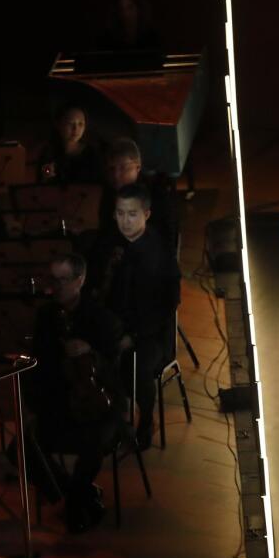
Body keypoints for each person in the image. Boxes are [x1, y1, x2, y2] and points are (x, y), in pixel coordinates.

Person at [30, 253, 124, 531]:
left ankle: (74, 504)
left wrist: (90, 352)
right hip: (59, 403)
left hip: (100, 406)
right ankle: (73, 493)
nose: (55, 287)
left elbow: (113, 368)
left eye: (63, 280)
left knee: (93, 441)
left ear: (80, 280)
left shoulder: (101, 317)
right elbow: (40, 362)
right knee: (22, 447)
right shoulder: (46, 315)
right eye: (53, 280)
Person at [97, 183, 180, 450]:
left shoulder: (159, 252)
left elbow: (166, 305)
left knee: (139, 367)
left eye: (132, 214)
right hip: (115, 327)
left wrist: (132, 336)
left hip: (150, 334)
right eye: (120, 213)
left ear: (146, 214)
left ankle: (144, 419)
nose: (125, 221)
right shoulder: (110, 245)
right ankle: (109, 420)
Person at [36, 106, 104, 186]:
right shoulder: (49, 152)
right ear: (58, 124)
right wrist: (46, 177)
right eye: (70, 123)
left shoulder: (92, 154)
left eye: (80, 124)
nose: (76, 129)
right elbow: (40, 186)